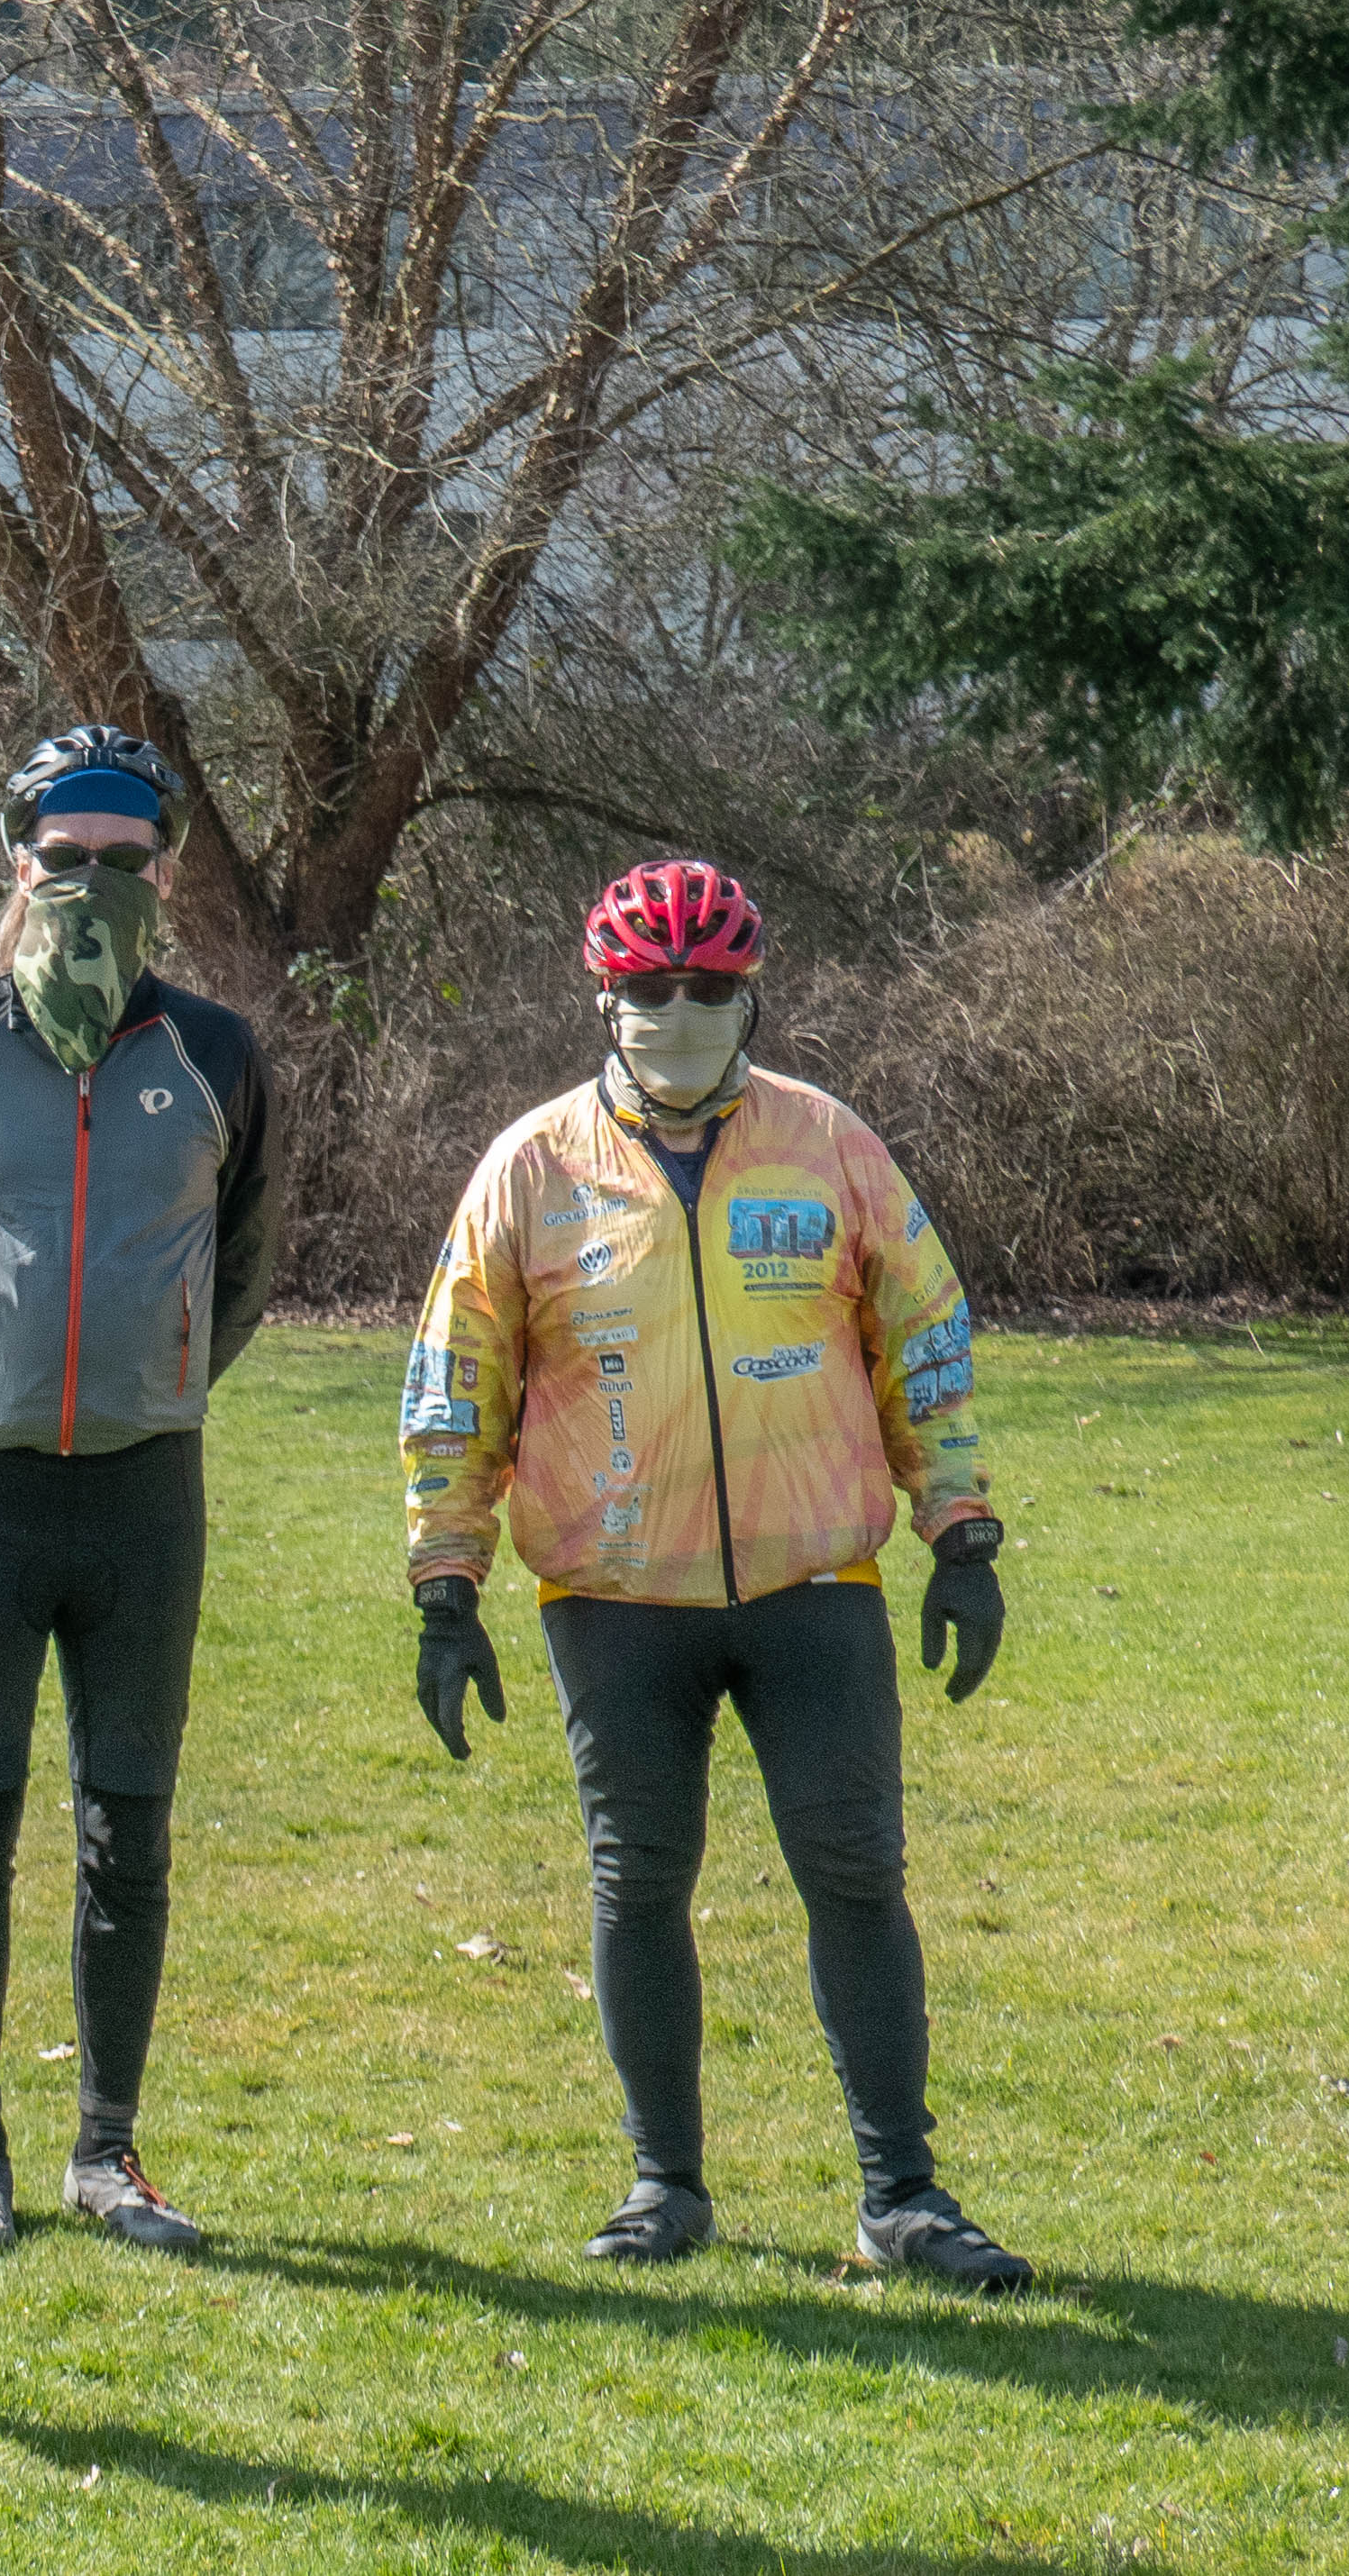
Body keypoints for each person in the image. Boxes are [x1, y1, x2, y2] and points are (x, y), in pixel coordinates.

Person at [400, 859, 1030, 2290]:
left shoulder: (829, 1144)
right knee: (640, 1882)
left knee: (857, 1874)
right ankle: (664, 2183)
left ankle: (904, 2195)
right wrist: (447, 1581)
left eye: (706, 987)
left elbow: (924, 1332)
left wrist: (964, 1531)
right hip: (615, 1600)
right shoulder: (535, 1166)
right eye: (649, 987)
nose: (677, 1010)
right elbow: (458, 1374)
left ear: (749, 995)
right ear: (604, 995)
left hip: (816, 1585)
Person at [0, 724, 275, 2258]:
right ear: (16, 858)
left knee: (131, 1825)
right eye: (65, 855)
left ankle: (110, 2152)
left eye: (124, 857)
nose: (93, 881)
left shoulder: (214, 1050)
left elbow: (245, 1259)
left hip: (143, 1501)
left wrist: (158, 1379)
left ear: (163, 868)